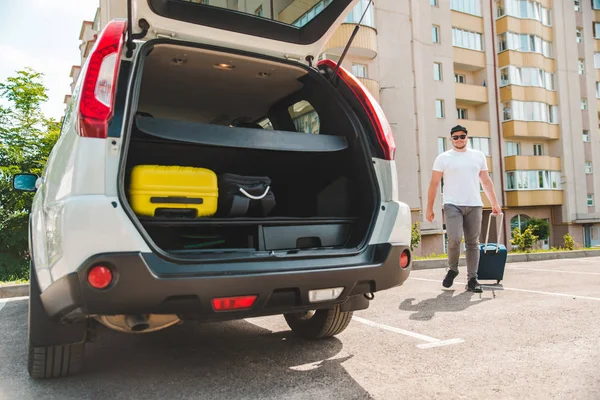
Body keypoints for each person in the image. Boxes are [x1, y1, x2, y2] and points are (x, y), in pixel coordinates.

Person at [426, 125, 502, 293]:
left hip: (474, 204)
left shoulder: (478, 156)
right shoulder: (443, 158)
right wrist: (429, 208)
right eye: (455, 137)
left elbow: (486, 181)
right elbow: (434, 184)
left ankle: (472, 279)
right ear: (451, 139)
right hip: (452, 204)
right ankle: (452, 269)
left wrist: (495, 203)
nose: (459, 139)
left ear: (467, 137)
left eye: (462, 136)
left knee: (473, 243)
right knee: (454, 238)